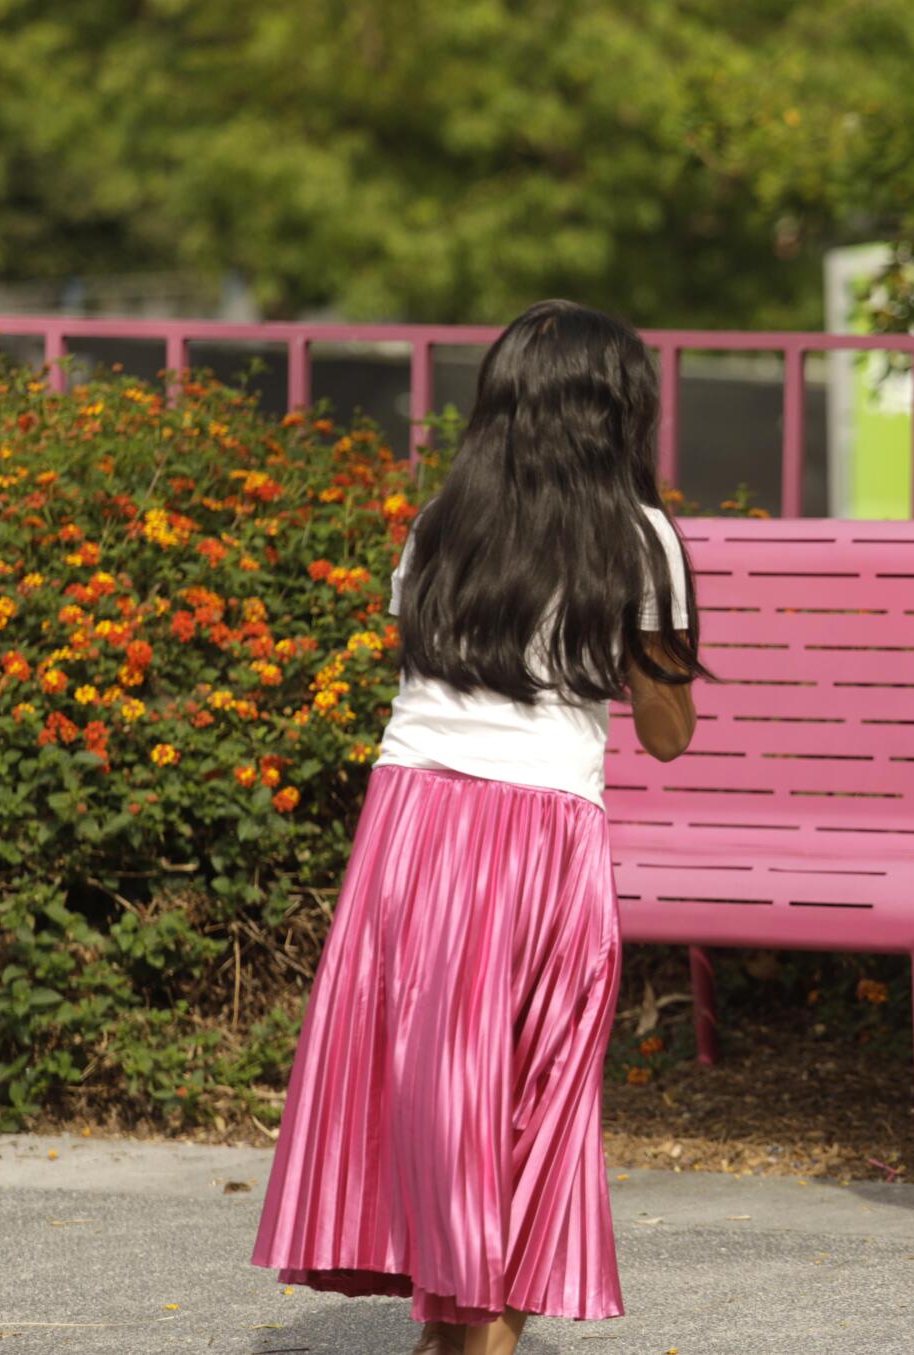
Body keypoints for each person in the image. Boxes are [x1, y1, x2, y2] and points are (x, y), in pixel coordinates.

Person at [250, 300, 705, 1353]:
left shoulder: (438, 527)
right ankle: (483, 1331)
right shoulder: (641, 539)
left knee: (428, 1086)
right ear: (615, 412)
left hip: (410, 825)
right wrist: (639, 650)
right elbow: (671, 730)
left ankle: (450, 1323)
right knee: (532, 1089)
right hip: (541, 832)